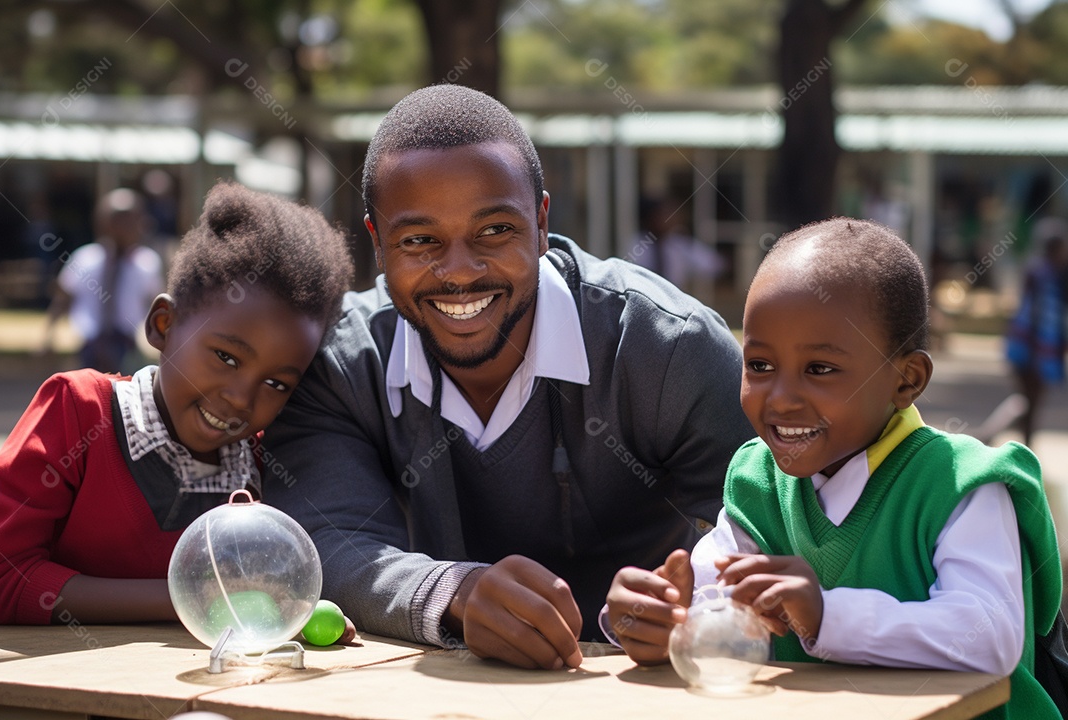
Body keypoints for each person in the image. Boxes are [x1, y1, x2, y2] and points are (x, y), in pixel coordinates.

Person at [261, 84, 753, 670]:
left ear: (542, 222)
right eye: (419, 241)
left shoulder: (669, 348)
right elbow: (328, 543)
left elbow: (763, 531)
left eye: (495, 230)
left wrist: (688, 608)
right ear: (378, 244)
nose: (460, 272)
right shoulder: (341, 363)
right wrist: (453, 592)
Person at [605, 218, 1063, 718]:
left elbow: (990, 638)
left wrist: (827, 615)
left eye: (819, 370)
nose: (780, 399)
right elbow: (711, 605)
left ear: (907, 381)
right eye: (759, 365)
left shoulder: (960, 483)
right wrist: (657, 621)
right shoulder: (756, 482)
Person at [0, 182, 355, 634]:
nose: (240, 398)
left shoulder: (264, 465)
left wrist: (290, 609)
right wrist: (190, 598)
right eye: (225, 357)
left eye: (276, 383)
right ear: (163, 325)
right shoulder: (78, 412)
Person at [44, 188, 165, 373]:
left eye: (130, 219)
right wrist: (48, 337)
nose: (124, 226)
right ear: (102, 222)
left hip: (127, 345)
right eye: (117, 219)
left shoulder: (147, 262)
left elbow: (157, 303)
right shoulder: (85, 258)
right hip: (89, 346)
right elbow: (63, 298)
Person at [1003, 230, 1068, 446]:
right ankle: (1022, 446)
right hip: (1034, 348)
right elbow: (1037, 315)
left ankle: (1014, 440)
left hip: (1030, 346)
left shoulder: (1041, 271)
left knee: (1028, 401)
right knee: (1030, 401)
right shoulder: (1047, 275)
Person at [630, 196, 725, 296]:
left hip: (671, 300)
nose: (671, 219)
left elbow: (714, 263)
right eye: (663, 215)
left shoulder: (679, 243)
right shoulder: (636, 242)